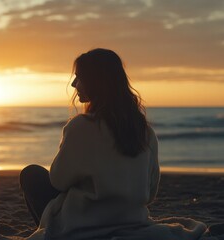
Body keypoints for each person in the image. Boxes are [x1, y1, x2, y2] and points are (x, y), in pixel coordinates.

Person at [20, 48, 209, 240]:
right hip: (131, 221)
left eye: (79, 78)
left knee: (31, 174)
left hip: (81, 226)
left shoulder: (81, 127)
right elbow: (150, 193)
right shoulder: (145, 131)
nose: (74, 84)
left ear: (96, 82)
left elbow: (58, 180)